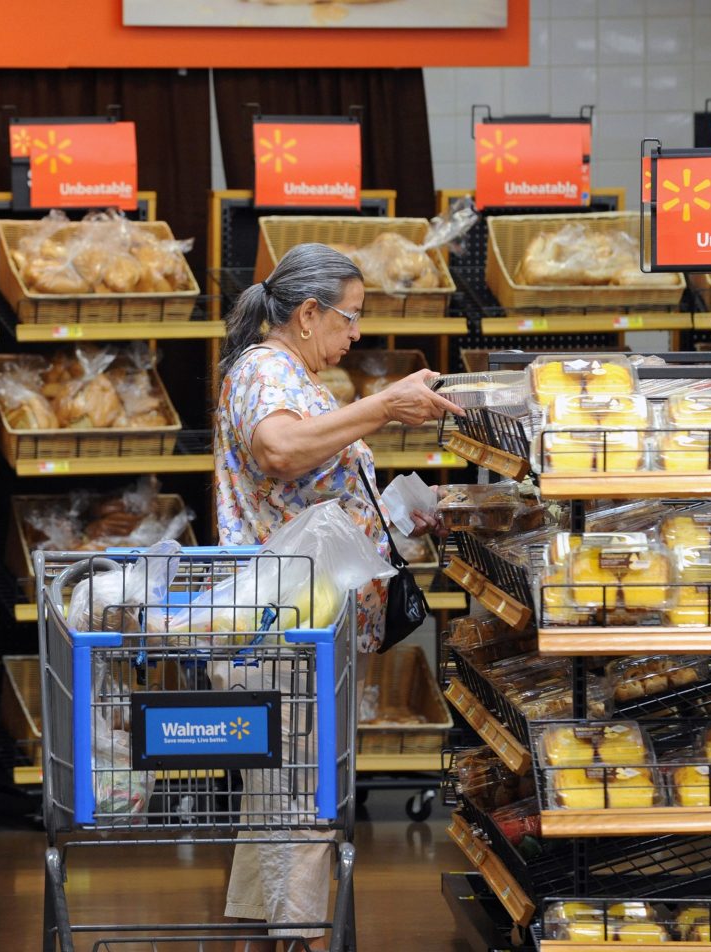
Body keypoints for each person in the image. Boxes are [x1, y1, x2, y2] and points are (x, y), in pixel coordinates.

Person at [213, 243, 454, 950]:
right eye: (350, 320)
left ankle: (275, 926)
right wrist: (381, 406)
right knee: (303, 794)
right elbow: (280, 450)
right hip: (286, 623)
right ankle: (305, 936)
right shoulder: (265, 368)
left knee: (282, 791)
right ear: (310, 313)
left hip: (304, 617)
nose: (356, 336)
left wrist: (401, 511)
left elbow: (313, 485)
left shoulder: (298, 375)